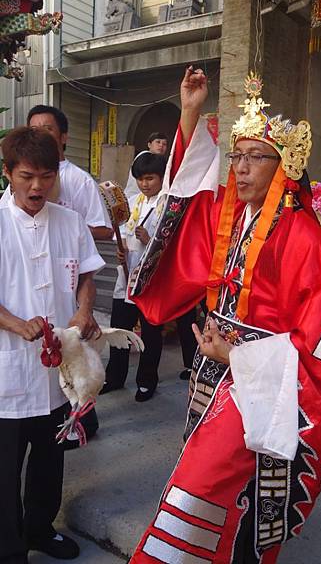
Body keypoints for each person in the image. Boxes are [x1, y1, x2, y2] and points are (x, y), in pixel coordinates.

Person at [129, 67, 321, 563]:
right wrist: (189, 112)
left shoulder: (308, 240)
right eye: (237, 156)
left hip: (267, 382)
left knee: (208, 484)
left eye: (257, 157)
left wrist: (237, 354)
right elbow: (186, 196)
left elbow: (320, 340)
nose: (242, 167)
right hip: (214, 372)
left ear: (285, 167)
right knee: (217, 488)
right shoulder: (228, 220)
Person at [0, 127, 105, 563]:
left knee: (50, 458)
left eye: (47, 176)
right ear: (8, 173)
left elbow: (84, 274)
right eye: (27, 176)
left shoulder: (69, 221)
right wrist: (14, 323)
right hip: (6, 371)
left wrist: (84, 310)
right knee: (4, 471)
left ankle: (41, 529)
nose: (38, 186)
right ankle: (8, 547)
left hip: (58, 369)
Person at [101, 151, 197, 399]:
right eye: (141, 179)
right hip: (126, 278)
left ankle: (146, 380)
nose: (145, 184)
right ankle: (115, 377)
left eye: (150, 178)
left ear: (161, 177)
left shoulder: (170, 205)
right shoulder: (132, 202)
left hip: (151, 281)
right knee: (119, 330)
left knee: (151, 333)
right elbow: (120, 232)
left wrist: (151, 240)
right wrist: (121, 252)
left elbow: (176, 243)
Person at [0, 105, 113, 241]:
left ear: (63, 137)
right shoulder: (18, 178)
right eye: (34, 130)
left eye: (48, 129)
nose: (36, 185)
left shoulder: (81, 180)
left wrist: (66, 227)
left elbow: (104, 230)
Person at [124, 132, 169, 200]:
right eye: (158, 142)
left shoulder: (160, 161)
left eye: (164, 144)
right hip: (135, 198)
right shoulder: (143, 157)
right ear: (149, 145)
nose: (161, 145)